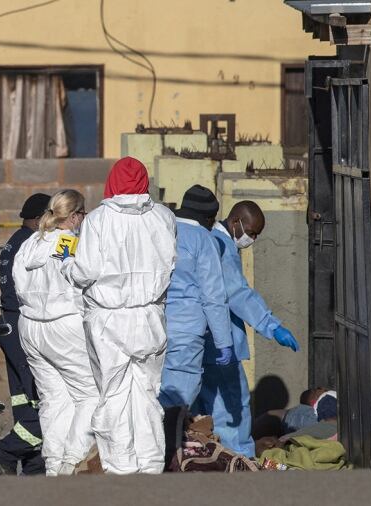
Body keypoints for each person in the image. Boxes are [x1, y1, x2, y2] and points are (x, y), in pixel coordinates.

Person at [61, 157, 175, 474]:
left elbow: (85, 271)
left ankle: (120, 467)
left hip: (108, 319)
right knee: (147, 395)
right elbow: (170, 263)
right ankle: (151, 464)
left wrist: (66, 266)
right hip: (151, 317)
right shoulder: (164, 217)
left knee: (114, 395)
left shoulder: (97, 221)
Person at [195, 200, 300, 457]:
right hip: (221, 344)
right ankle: (239, 458)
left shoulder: (207, 240)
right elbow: (237, 294)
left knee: (208, 405)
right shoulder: (222, 246)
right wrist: (272, 325)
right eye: (251, 232)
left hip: (204, 340)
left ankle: (217, 456)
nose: (251, 239)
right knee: (234, 403)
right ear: (235, 222)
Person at [12, 190, 99, 476]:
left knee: (54, 399)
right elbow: (76, 282)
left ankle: (52, 465)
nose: (84, 219)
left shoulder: (30, 243)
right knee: (90, 395)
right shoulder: (68, 241)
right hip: (63, 325)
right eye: (83, 214)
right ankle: (72, 460)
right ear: (74, 216)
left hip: (30, 327)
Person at [0, 193, 51, 475]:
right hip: (23, 325)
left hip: (10, 325)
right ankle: (5, 452)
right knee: (44, 401)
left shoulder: (15, 240)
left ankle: (32, 466)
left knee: (23, 400)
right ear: (39, 218)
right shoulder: (31, 243)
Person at [158, 185, 233, 410]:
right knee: (177, 401)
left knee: (150, 395)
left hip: (152, 326)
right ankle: (168, 444)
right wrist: (224, 341)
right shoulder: (204, 239)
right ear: (209, 218)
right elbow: (213, 296)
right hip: (186, 332)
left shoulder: (161, 230)